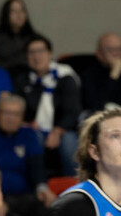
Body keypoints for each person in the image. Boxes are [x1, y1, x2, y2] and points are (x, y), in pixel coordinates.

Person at [13, 35, 81, 174]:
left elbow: (73, 112)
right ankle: (38, 183)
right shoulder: (22, 81)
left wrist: (57, 131)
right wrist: (25, 123)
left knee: (68, 142)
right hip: (34, 129)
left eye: (41, 51)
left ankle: (76, 183)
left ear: (50, 53)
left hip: (63, 130)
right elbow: (17, 110)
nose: (36, 57)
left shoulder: (65, 77)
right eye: (32, 52)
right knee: (32, 137)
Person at [0, 0, 36, 71]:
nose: (19, 15)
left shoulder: (34, 38)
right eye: (14, 11)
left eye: (22, 10)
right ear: (6, 14)